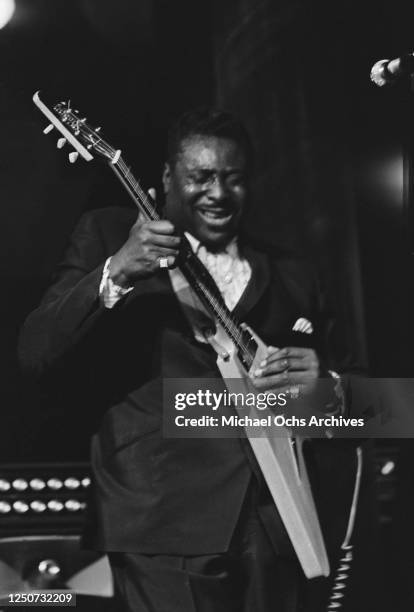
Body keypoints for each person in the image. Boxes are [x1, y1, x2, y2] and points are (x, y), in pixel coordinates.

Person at [19, 108, 362, 611]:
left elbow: (375, 407)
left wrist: (323, 385)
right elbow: (35, 351)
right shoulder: (110, 235)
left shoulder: (293, 273)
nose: (218, 194)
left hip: (280, 522)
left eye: (234, 179)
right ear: (166, 177)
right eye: (200, 177)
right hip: (162, 517)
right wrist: (117, 271)